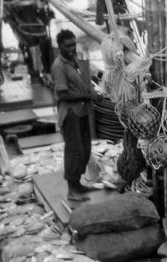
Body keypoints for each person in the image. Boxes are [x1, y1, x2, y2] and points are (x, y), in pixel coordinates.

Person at [51, 29, 102, 201]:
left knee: (85, 149)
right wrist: (89, 96)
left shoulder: (74, 60)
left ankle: (78, 184)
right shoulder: (58, 66)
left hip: (81, 111)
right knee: (74, 151)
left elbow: (81, 83)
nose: (72, 48)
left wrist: (93, 92)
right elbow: (63, 95)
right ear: (60, 46)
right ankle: (71, 190)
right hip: (70, 113)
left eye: (73, 44)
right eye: (68, 46)